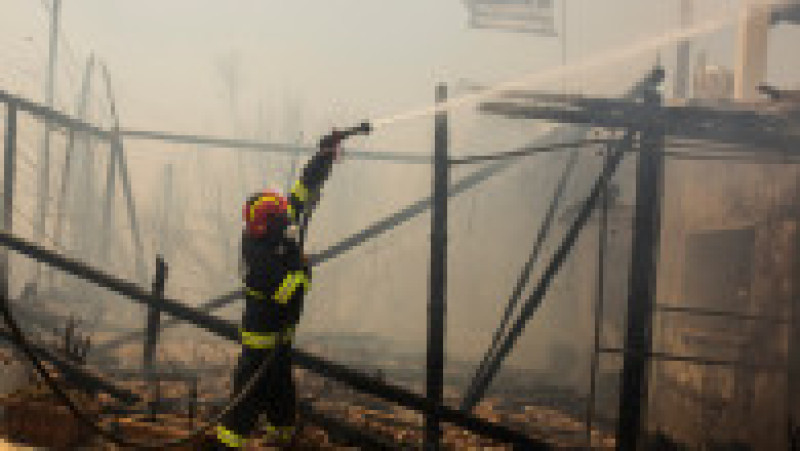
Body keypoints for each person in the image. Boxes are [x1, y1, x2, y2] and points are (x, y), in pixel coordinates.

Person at [211, 132, 345, 449]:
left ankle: (282, 434)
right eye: (279, 219)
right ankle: (228, 442)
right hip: (262, 334)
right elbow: (290, 288)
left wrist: (323, 157)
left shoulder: (273, 232)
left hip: (281, 333)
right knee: (251, 387)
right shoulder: (258, 253)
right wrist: (303, 268)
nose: (287, 220)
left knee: (281, 386)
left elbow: (301, 194)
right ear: (266, 224)